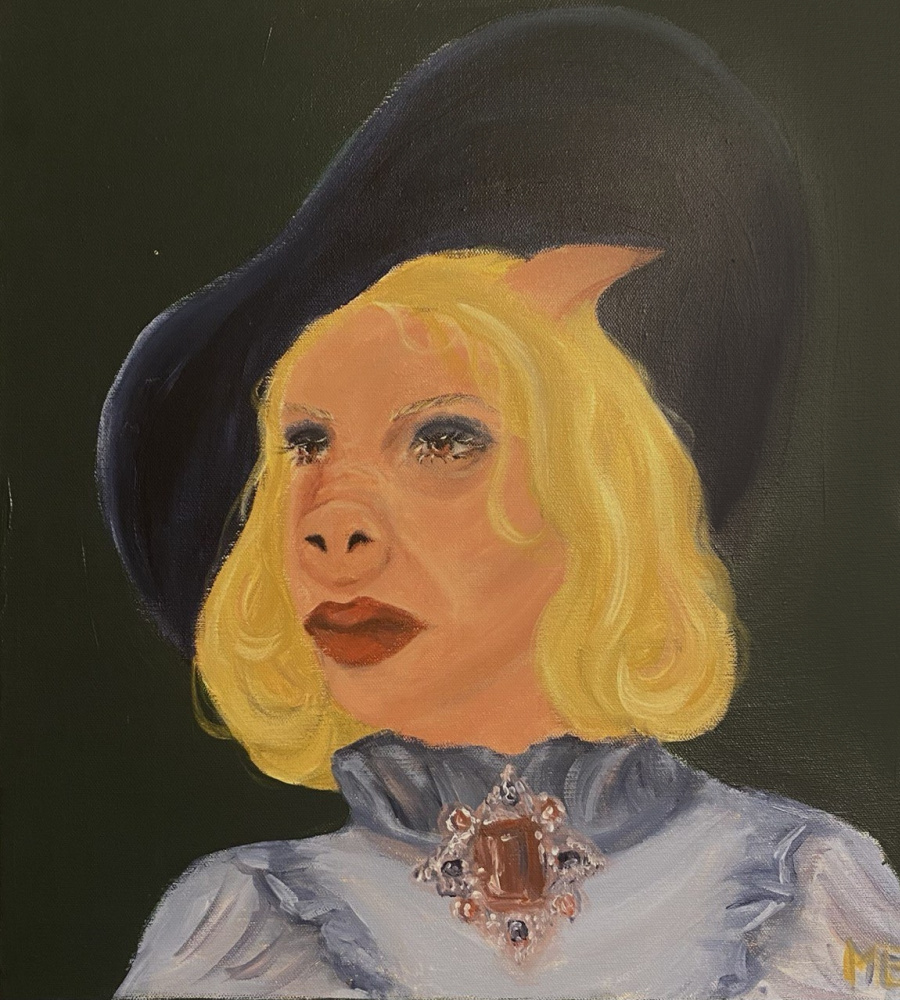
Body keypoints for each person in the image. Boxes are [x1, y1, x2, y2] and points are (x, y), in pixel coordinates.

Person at [98, 9, 899, 1000]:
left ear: (604, 495)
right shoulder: (242, 931)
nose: (329, 521)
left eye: (443, 439)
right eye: (305, 445)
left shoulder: (806, 898)